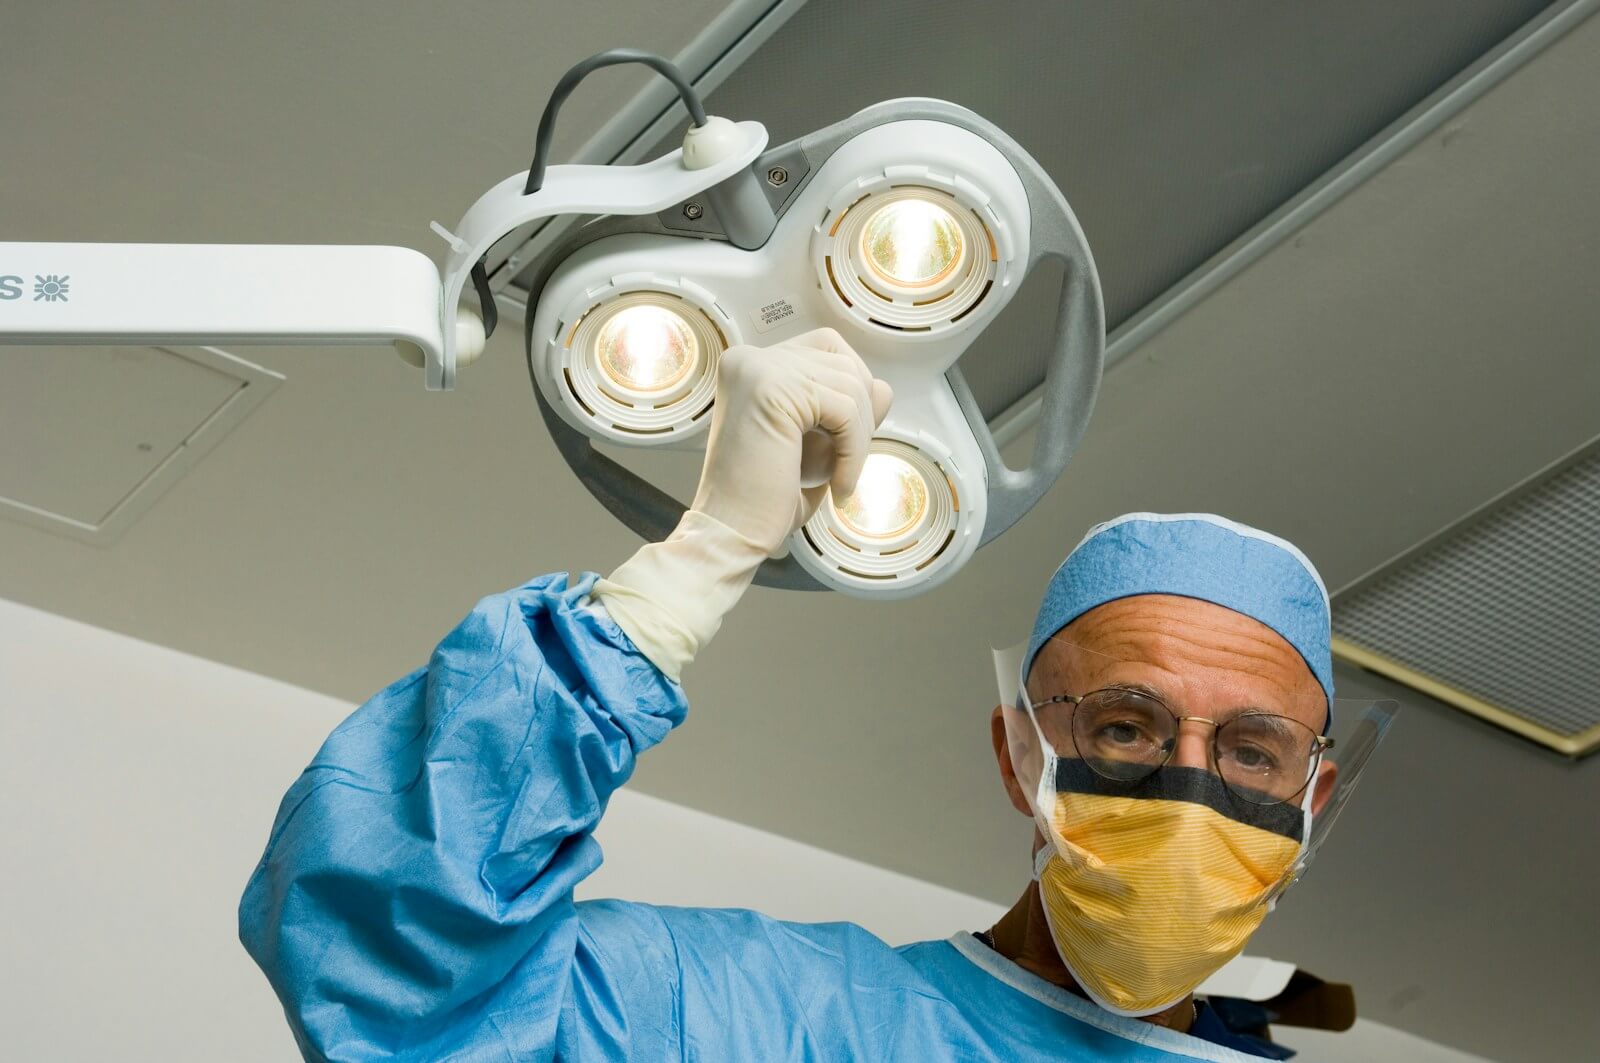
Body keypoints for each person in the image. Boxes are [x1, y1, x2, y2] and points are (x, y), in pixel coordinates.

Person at [241, 329, 1344, 1061]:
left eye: (1252, 751)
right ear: (1022, 757)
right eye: (1124, 726)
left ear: (1314, 797)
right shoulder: (757, 1016)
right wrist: (693, 565)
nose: (1189, 789)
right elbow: (394, 983)